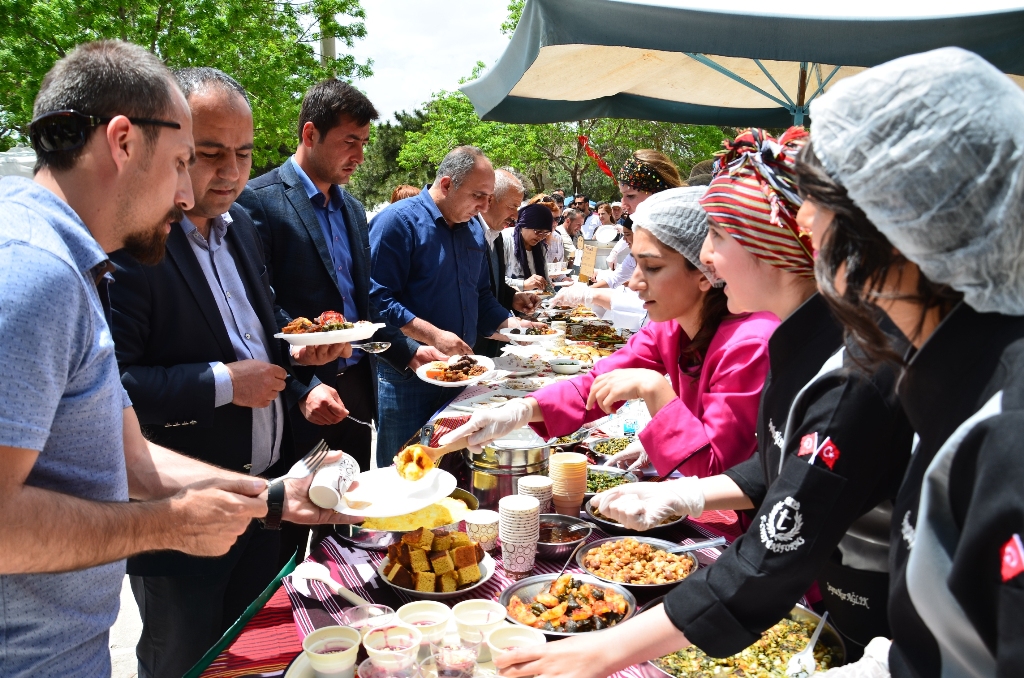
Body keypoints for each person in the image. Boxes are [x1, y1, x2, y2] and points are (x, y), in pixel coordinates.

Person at [494, 128, 912, 677]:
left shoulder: (835, 362)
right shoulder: (802, 338)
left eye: (718, 236)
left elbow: (778, 541)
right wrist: (686, 495)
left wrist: (601, 651)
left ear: (773, 238)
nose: (709, 257)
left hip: (861, 593)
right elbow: (778, 467)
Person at [0, 41, 348, 678]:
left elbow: (127, 454)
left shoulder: (69, 264)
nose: (190, 192)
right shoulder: (33, 270)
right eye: (186, 161)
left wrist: (270, 497)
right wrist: (166, 526)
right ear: (124, 141)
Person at [108, 67, 355, 678]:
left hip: (268, 496)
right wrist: (224, 382)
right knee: (184, 659)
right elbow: (114, 388)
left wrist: (302, 379)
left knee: (256, 656)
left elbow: (261, 330)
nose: (232, 171)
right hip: (182, 513)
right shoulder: (132, 242)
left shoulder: (243, 224)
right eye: (210, 153)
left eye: (244, 153)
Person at [804, 46, 1024, 677]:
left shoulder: (1005, 428)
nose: (803, 221)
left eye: (819, 202)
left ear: (895, 225)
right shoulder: (949, 372)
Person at [442, 186, 777, 480]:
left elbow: (718, 470)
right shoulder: (670, 327)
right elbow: (595, 384)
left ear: (706, 271)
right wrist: (520, 410)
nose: (634, 282)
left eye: (654, 268)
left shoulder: (750, 344)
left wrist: (655, 390)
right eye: (637, 264)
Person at [237, 78, 416, 475]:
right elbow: (257, 305)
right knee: (293, 524)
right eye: (350, 141)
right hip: (296, 391)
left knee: (350, 513)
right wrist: (301, 388)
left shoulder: (352, 209)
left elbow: (362, 301)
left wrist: (412, 352)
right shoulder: (256, 199)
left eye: (365, 143)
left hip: (356, 386)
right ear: (310, 133)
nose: (360, 156)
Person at [368, 146, 531, 465]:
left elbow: (481, 296)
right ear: (446, 185)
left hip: (462, 376)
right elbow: (375, 299)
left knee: (454, 470)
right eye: (479, 195)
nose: (486, 205)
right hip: (408, 377)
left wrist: (517, 328)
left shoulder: (472, 228)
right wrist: (429, 338)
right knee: (405, 471)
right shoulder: (396, 223)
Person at [476, 167, 540, 358]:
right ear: (490, 199)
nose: (515, 216)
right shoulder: (468, 234)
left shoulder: (495, 236)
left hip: (493, 343)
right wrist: (509, 325)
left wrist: (513, 297)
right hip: (474, 344)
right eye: (512, 206)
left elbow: (490, 284)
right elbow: (472, 293)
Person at [607, 150, 683, 271]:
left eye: (630, 196)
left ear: (658, 193)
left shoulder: (682, 237)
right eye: (623, 195)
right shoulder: (645, 229)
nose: (623, 205)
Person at [504, 203, 556, 291]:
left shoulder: (541, 247)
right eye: (538, 231)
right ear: (524, 225)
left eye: (546, 233)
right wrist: (523, 284)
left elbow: (546, 281)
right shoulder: (505, 239)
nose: (541, 237)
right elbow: (496, 280)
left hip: (536, 301)